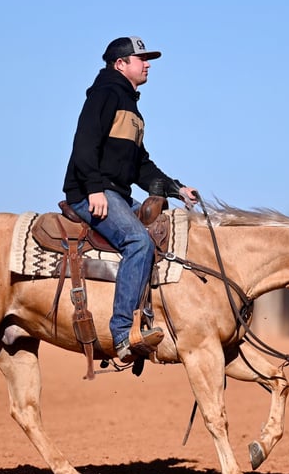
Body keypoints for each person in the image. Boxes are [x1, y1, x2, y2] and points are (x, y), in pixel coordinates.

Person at [63, 36, 198, 362]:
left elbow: (140, 165)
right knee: (138, 241)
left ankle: (152, 316)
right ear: (120, 64)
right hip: (91, 193)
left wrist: (176, 188)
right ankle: (123, 333)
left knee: (164, 231)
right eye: (141, 59)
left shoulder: (130, 105)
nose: (147, 64)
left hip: (116, 194)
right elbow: (84, 144)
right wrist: (93, 189)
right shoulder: (105, 93)